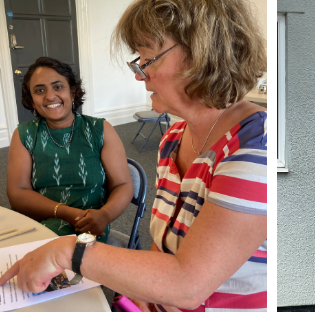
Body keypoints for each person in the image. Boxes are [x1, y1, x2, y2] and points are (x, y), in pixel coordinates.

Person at [0, 0, 268, 311]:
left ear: (202, 54)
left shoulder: (256, 146)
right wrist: (142, 294)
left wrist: (67, 252)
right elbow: (165, 245)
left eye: (148, 58)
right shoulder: (172, 140)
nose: (140, 76)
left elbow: (189, 285)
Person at [7, 57, 133, 244]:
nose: (50, 96)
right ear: (31, 101)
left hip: (90, 226)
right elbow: (18, 192)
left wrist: (105, 214)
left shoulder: (100, 130)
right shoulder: (24, 134)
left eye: (58, 87)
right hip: (40, 223)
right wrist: (65, 212)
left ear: (73, 93)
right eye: (40, 90)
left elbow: (123, 185)